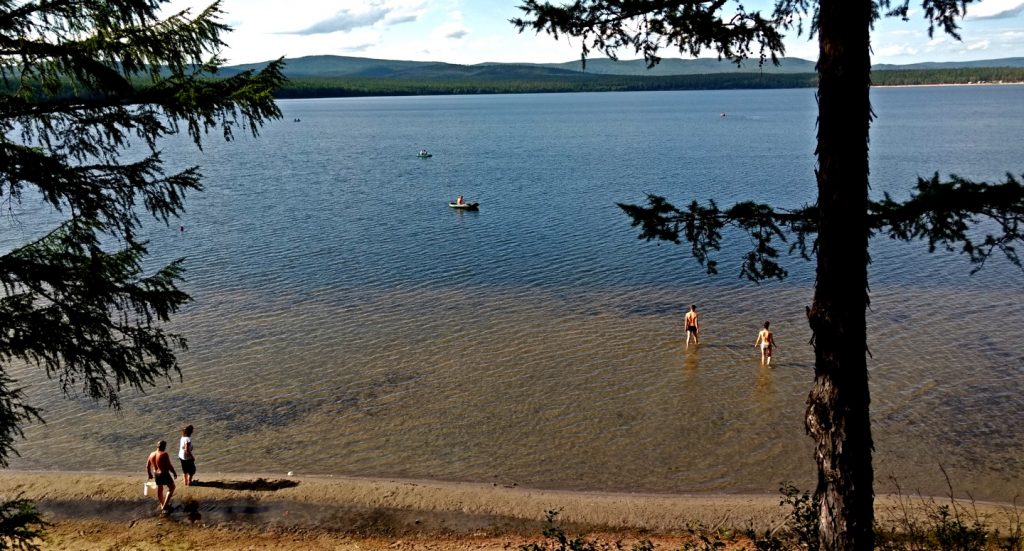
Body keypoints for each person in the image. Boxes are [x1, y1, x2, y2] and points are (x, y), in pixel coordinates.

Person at [146, 440, 177, 512]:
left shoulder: (151, 454)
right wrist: (174, 472)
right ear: (164, 446)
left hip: (156, 474)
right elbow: (169, 466)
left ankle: (162, 504)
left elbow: (147, 466)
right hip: (164, 474)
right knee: (172, 487)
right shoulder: (164, 454)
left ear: (157, 446)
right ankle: (165, 506)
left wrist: (149, 474)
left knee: (160, 488)